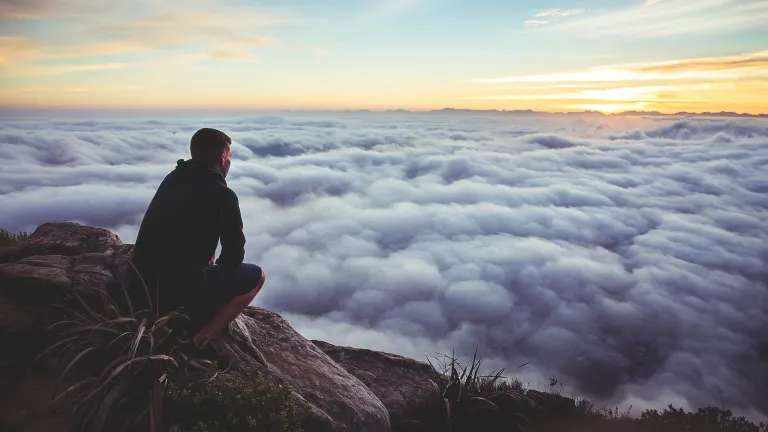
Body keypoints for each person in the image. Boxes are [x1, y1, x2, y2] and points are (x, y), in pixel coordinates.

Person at [131, 127, 265, 349]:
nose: (229, 162)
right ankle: (200, 338)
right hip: (177, 291)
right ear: (223, 158)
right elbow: (233, 256)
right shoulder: (223, 194)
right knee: (257, 276)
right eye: (229, 156)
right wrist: (212, 274)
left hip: (142, 283)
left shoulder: (173, 178)